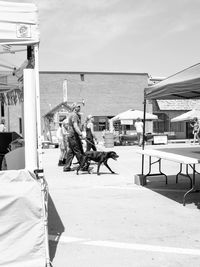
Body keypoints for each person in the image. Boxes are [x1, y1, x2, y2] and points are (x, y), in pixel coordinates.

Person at [63, 103, 86, 172]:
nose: (79, 108)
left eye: (79, 107)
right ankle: (83, 166)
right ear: (74, 108)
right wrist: (81, 134)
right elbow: (75, 126)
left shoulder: (71, 115)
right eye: (77, 107)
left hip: (71, 135)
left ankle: (66, 167)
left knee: (71, 152)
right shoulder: (74, 115)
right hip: (74, 135)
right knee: (78, 150)